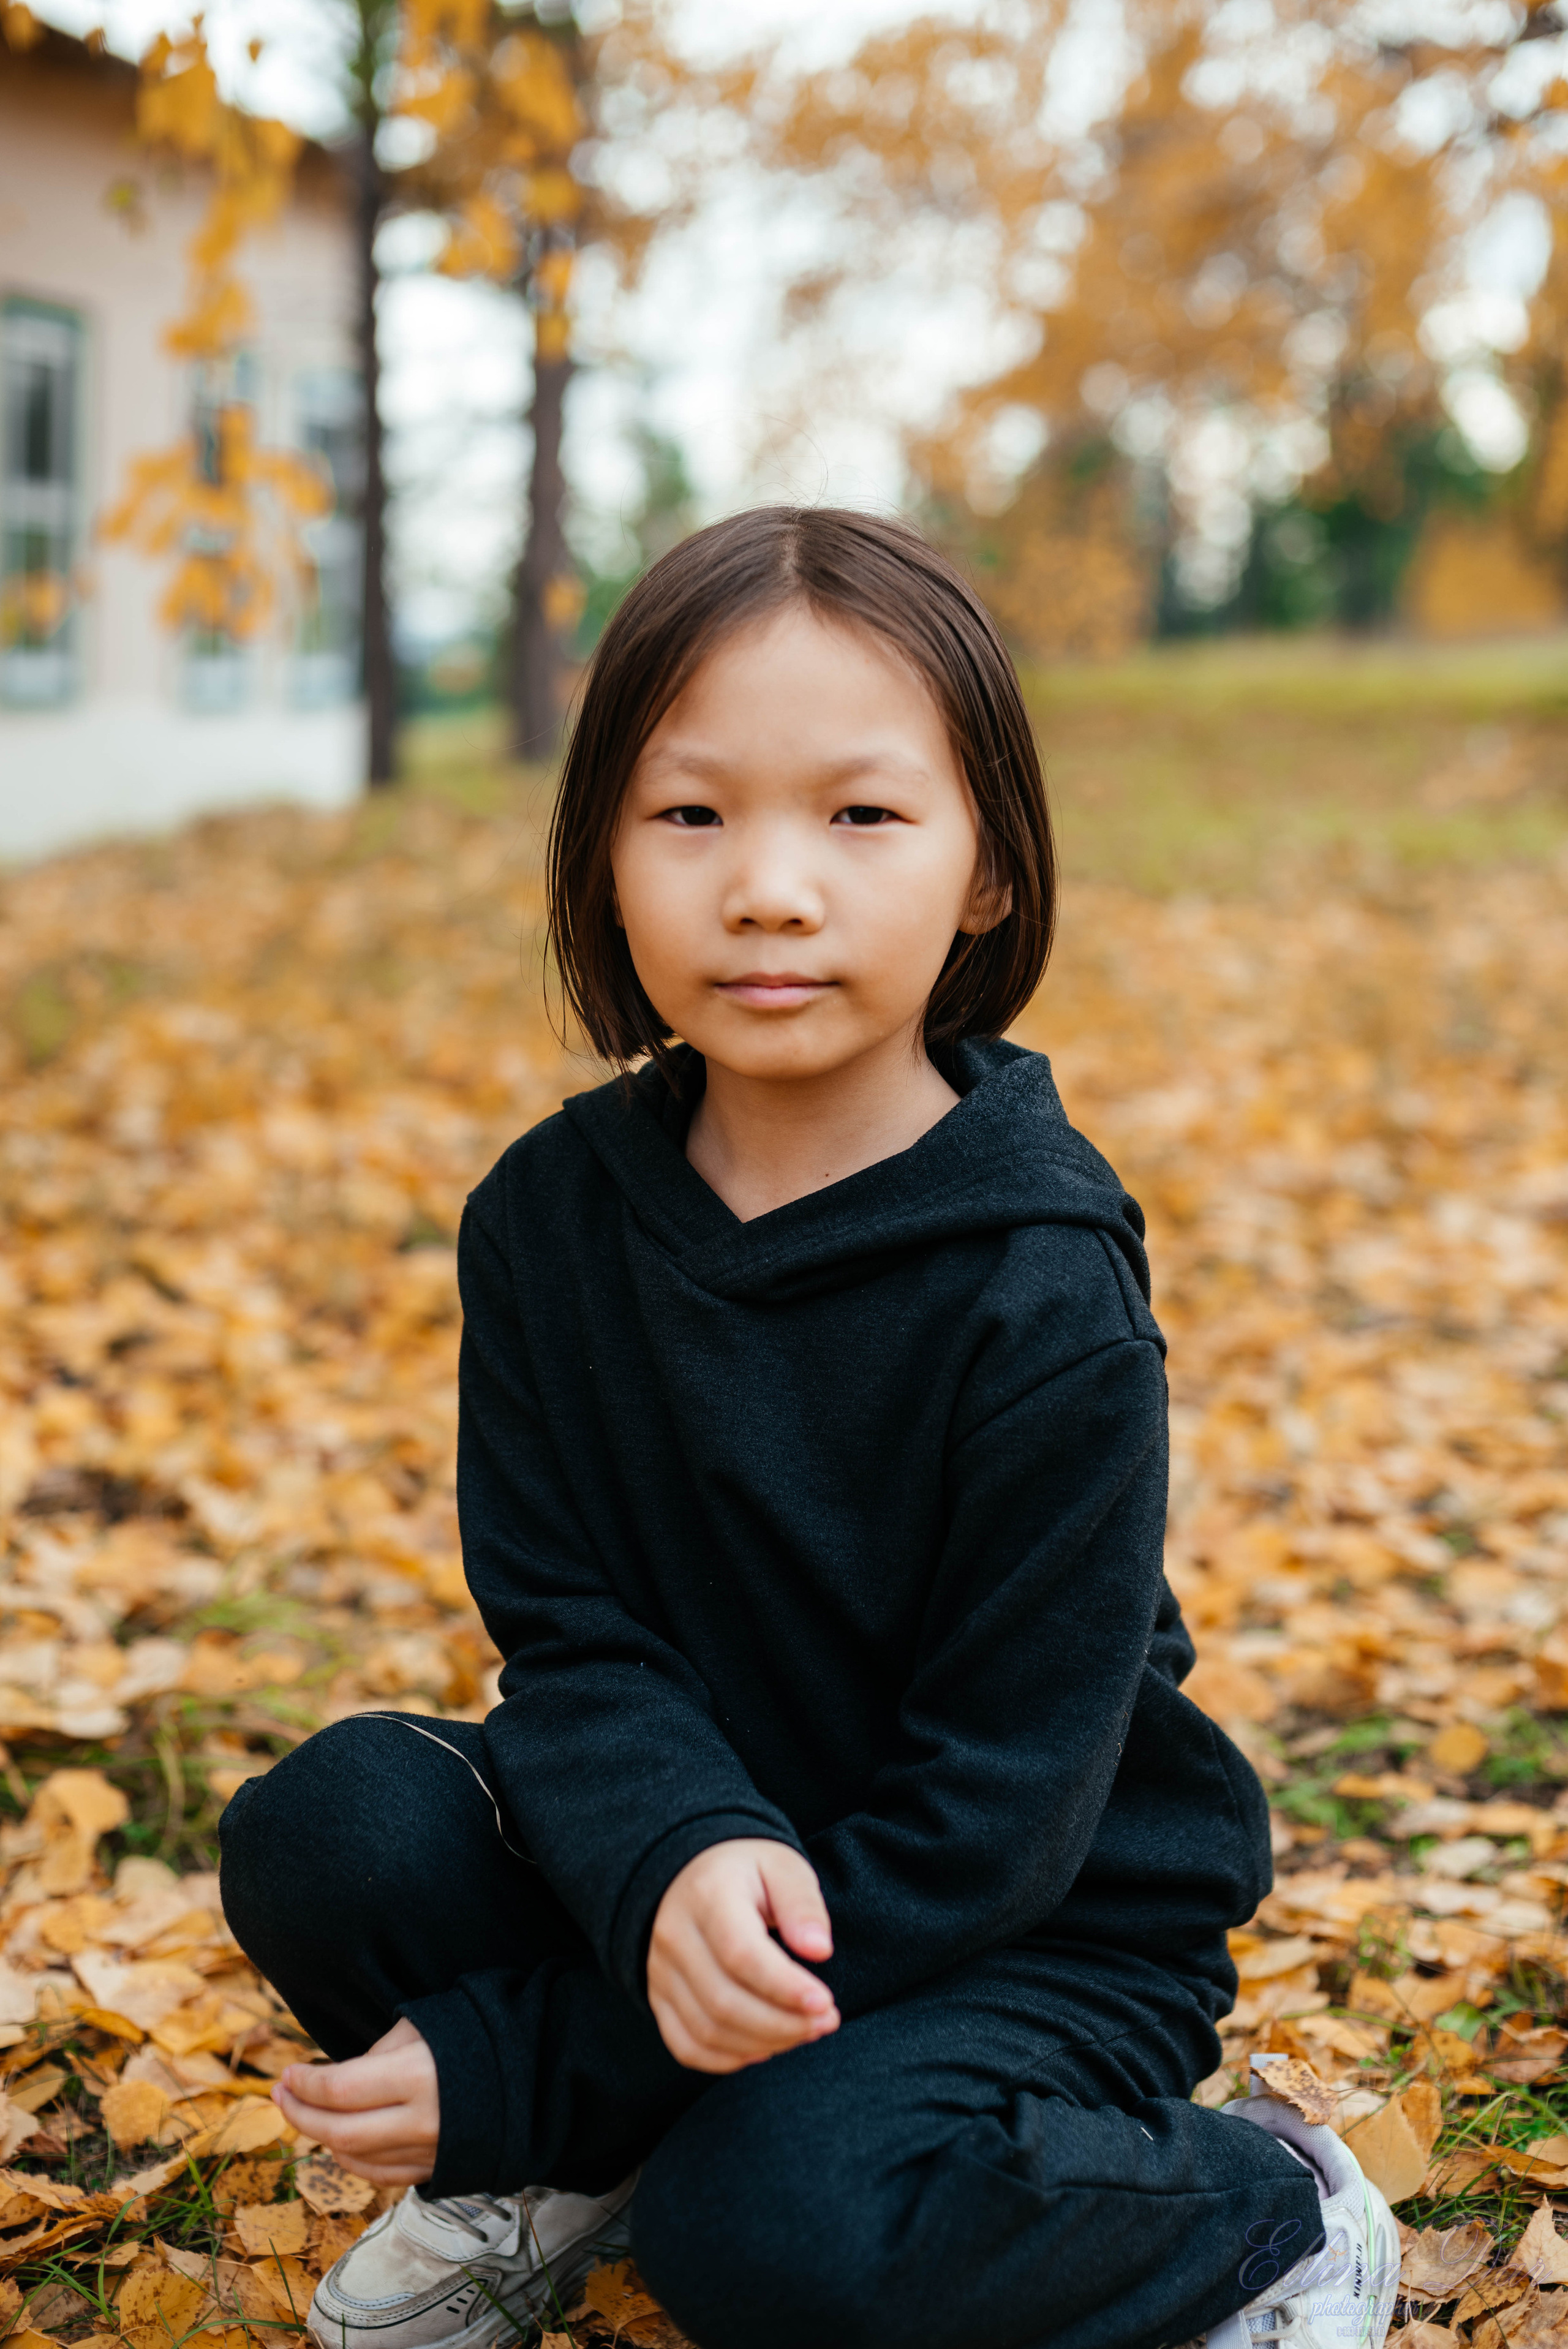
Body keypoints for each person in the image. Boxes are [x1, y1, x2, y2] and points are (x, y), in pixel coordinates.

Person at [219, 508, 1399, 2349]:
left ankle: (1271, 2207)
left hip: (1022, 1922)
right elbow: (576, 1633)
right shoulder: (548, 1220)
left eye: (861, 815)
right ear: (603, 850)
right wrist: (678, 1854)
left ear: (989, 868)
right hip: (688, 1861)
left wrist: (531, 2051)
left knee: (771, 2224)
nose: (770, 886)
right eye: (691, 815)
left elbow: (999, 1812)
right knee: (339, 1827)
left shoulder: (1041, 1283)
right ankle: (577, 2165)